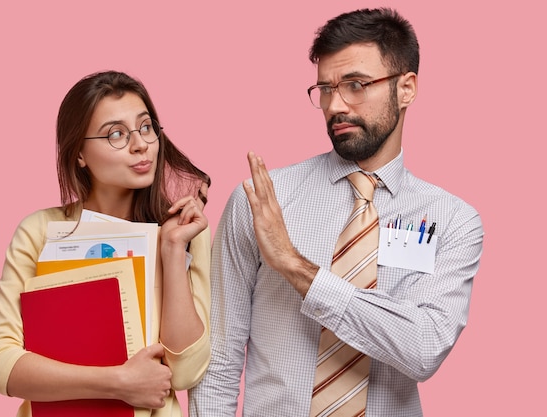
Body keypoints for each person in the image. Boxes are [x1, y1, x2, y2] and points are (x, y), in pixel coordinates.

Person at [189, 8, 483, 417]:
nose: (335, 105)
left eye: (356, 85)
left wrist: (294, 266)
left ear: (407, 88)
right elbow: (219, 359)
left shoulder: (452, 220)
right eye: (325, 89)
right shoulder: (262, 200)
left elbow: (422, 349)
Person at [0, 70, 212, 417]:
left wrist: (173, 250)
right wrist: (118, 382)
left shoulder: (184, 231)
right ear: (79, 154)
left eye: (146, 127)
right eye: (116, 134)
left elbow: (185, 371)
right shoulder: (39, 230)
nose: (140, 144)